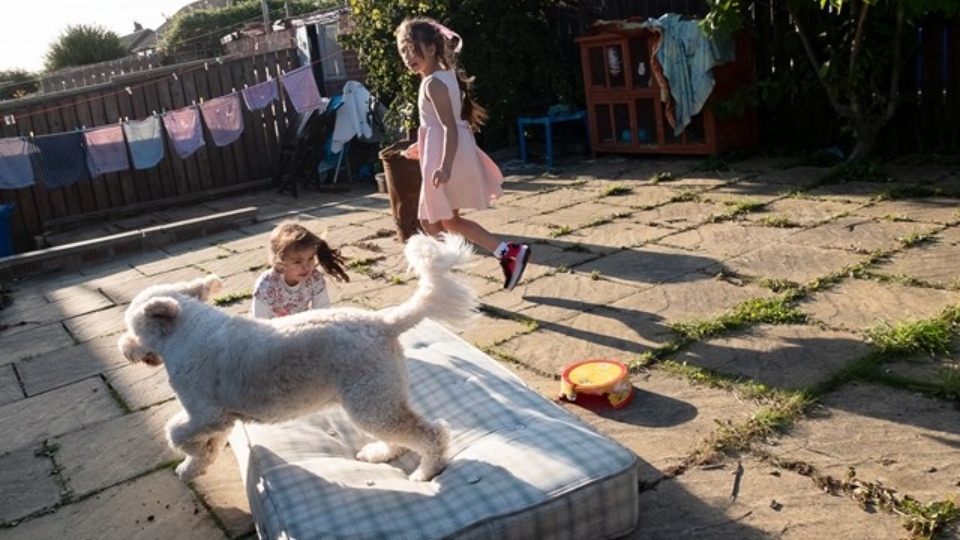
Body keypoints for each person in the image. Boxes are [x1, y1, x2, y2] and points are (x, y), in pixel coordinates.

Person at [396, 17, 531, 291]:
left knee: (429, 220)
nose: (407, 56)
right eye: (403, 51)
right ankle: (508, 253)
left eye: (412, 48)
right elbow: (441, 126)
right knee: (448, 219)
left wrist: (444, 166)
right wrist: (422, 146)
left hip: (448, 158)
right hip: (448, 153)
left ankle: (443, 282)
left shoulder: (433, 83)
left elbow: (448, 128)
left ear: (432, 48)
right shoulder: (442, 79)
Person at [251, 220, 350, 319]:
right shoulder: (267, 285)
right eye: (297, 262)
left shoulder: (314, 279)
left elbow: (323, 311)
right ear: (279, 261)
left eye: (310, 258)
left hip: (300, 328)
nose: (306, 267)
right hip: (273, 330)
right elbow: (259, 322)